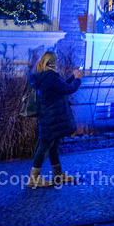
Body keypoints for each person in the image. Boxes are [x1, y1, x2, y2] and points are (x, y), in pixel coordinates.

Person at [28, 52, 82, 188]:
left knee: (53, 145)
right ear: (52, 63)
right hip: (50, 119)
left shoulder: (45, 76)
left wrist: (73, 77)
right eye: (56, 61)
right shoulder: (50, 77)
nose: (58, 64)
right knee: (44, 145)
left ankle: (58, 175)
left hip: (51, 118)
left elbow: (61, 86)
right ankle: (34, 178)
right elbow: (69, 89)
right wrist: (78, 79)